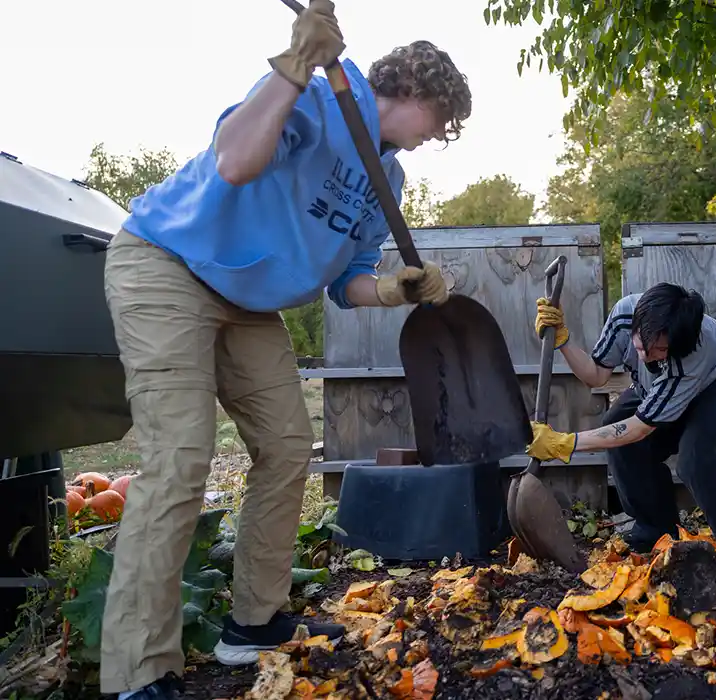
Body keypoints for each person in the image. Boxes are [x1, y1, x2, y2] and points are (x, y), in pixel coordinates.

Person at [97, 2, 471, 697]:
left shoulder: (388, 179)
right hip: (167, 263)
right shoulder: (326, 95)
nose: (436, 137)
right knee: (179, 457)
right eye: (441, 124)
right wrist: (295, 63)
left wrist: (396, 291)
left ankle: (254, 622)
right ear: (420, 94)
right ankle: (137, 672)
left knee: (288, 443)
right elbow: (236, 162)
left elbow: (351, 280)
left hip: (249, 303)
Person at [526, 282, 716, 555]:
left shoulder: (690, 357)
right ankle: (655, 529)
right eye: (641, 346)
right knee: (617, 426)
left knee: (700, 449)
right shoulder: (625, 316)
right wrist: (563, 340)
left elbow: (640, 428)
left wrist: (565, 444)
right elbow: (596, 375)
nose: (645, 357)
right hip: (664, 383)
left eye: (659, 351)